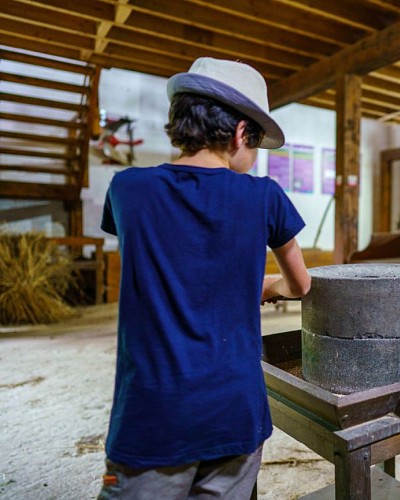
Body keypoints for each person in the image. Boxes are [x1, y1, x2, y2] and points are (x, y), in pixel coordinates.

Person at [98, 57, 311, 499]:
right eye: (255, 145)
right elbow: (300, 285)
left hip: (151, 418)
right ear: (238, 134)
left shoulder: (128, 189)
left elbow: (174, 257)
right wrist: (266, 287)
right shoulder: (264, 197)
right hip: (236, 412)